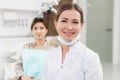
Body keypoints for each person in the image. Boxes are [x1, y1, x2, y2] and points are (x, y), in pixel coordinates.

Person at [42, 2, 103, 80]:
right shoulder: (49, 56)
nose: (69, 27)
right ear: (56, 23)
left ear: (81, 25)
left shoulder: (90, 58)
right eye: (64, 21)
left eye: (75, 22)